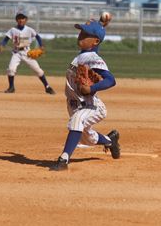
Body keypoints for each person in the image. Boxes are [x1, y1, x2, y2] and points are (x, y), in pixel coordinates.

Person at [51, 19, 120, 171]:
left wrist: (92, 88)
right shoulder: (82, 56)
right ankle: (110, 140)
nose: (80, 36)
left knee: (77, 120)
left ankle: (63, 159)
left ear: (95, 41)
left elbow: (111, 80)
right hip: (74, 105)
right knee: (87, 138)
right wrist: (101, 24)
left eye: (85, 34)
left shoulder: (93, 59)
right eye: (81, 32)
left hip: (91, 106)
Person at [0, 12, 56, 94]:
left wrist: (41, 45)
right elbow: (6, 39)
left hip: (27, 52)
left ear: (26, 20)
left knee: (38, 70)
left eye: (23, 18)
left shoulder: (29, 29)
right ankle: (11, 87)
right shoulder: (13, 30)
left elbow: (37, 37)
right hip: (16, 52)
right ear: (16, 20)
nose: (21, 20)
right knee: (11, 69)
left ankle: (47, 87)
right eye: (19, 18)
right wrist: (2, 45)